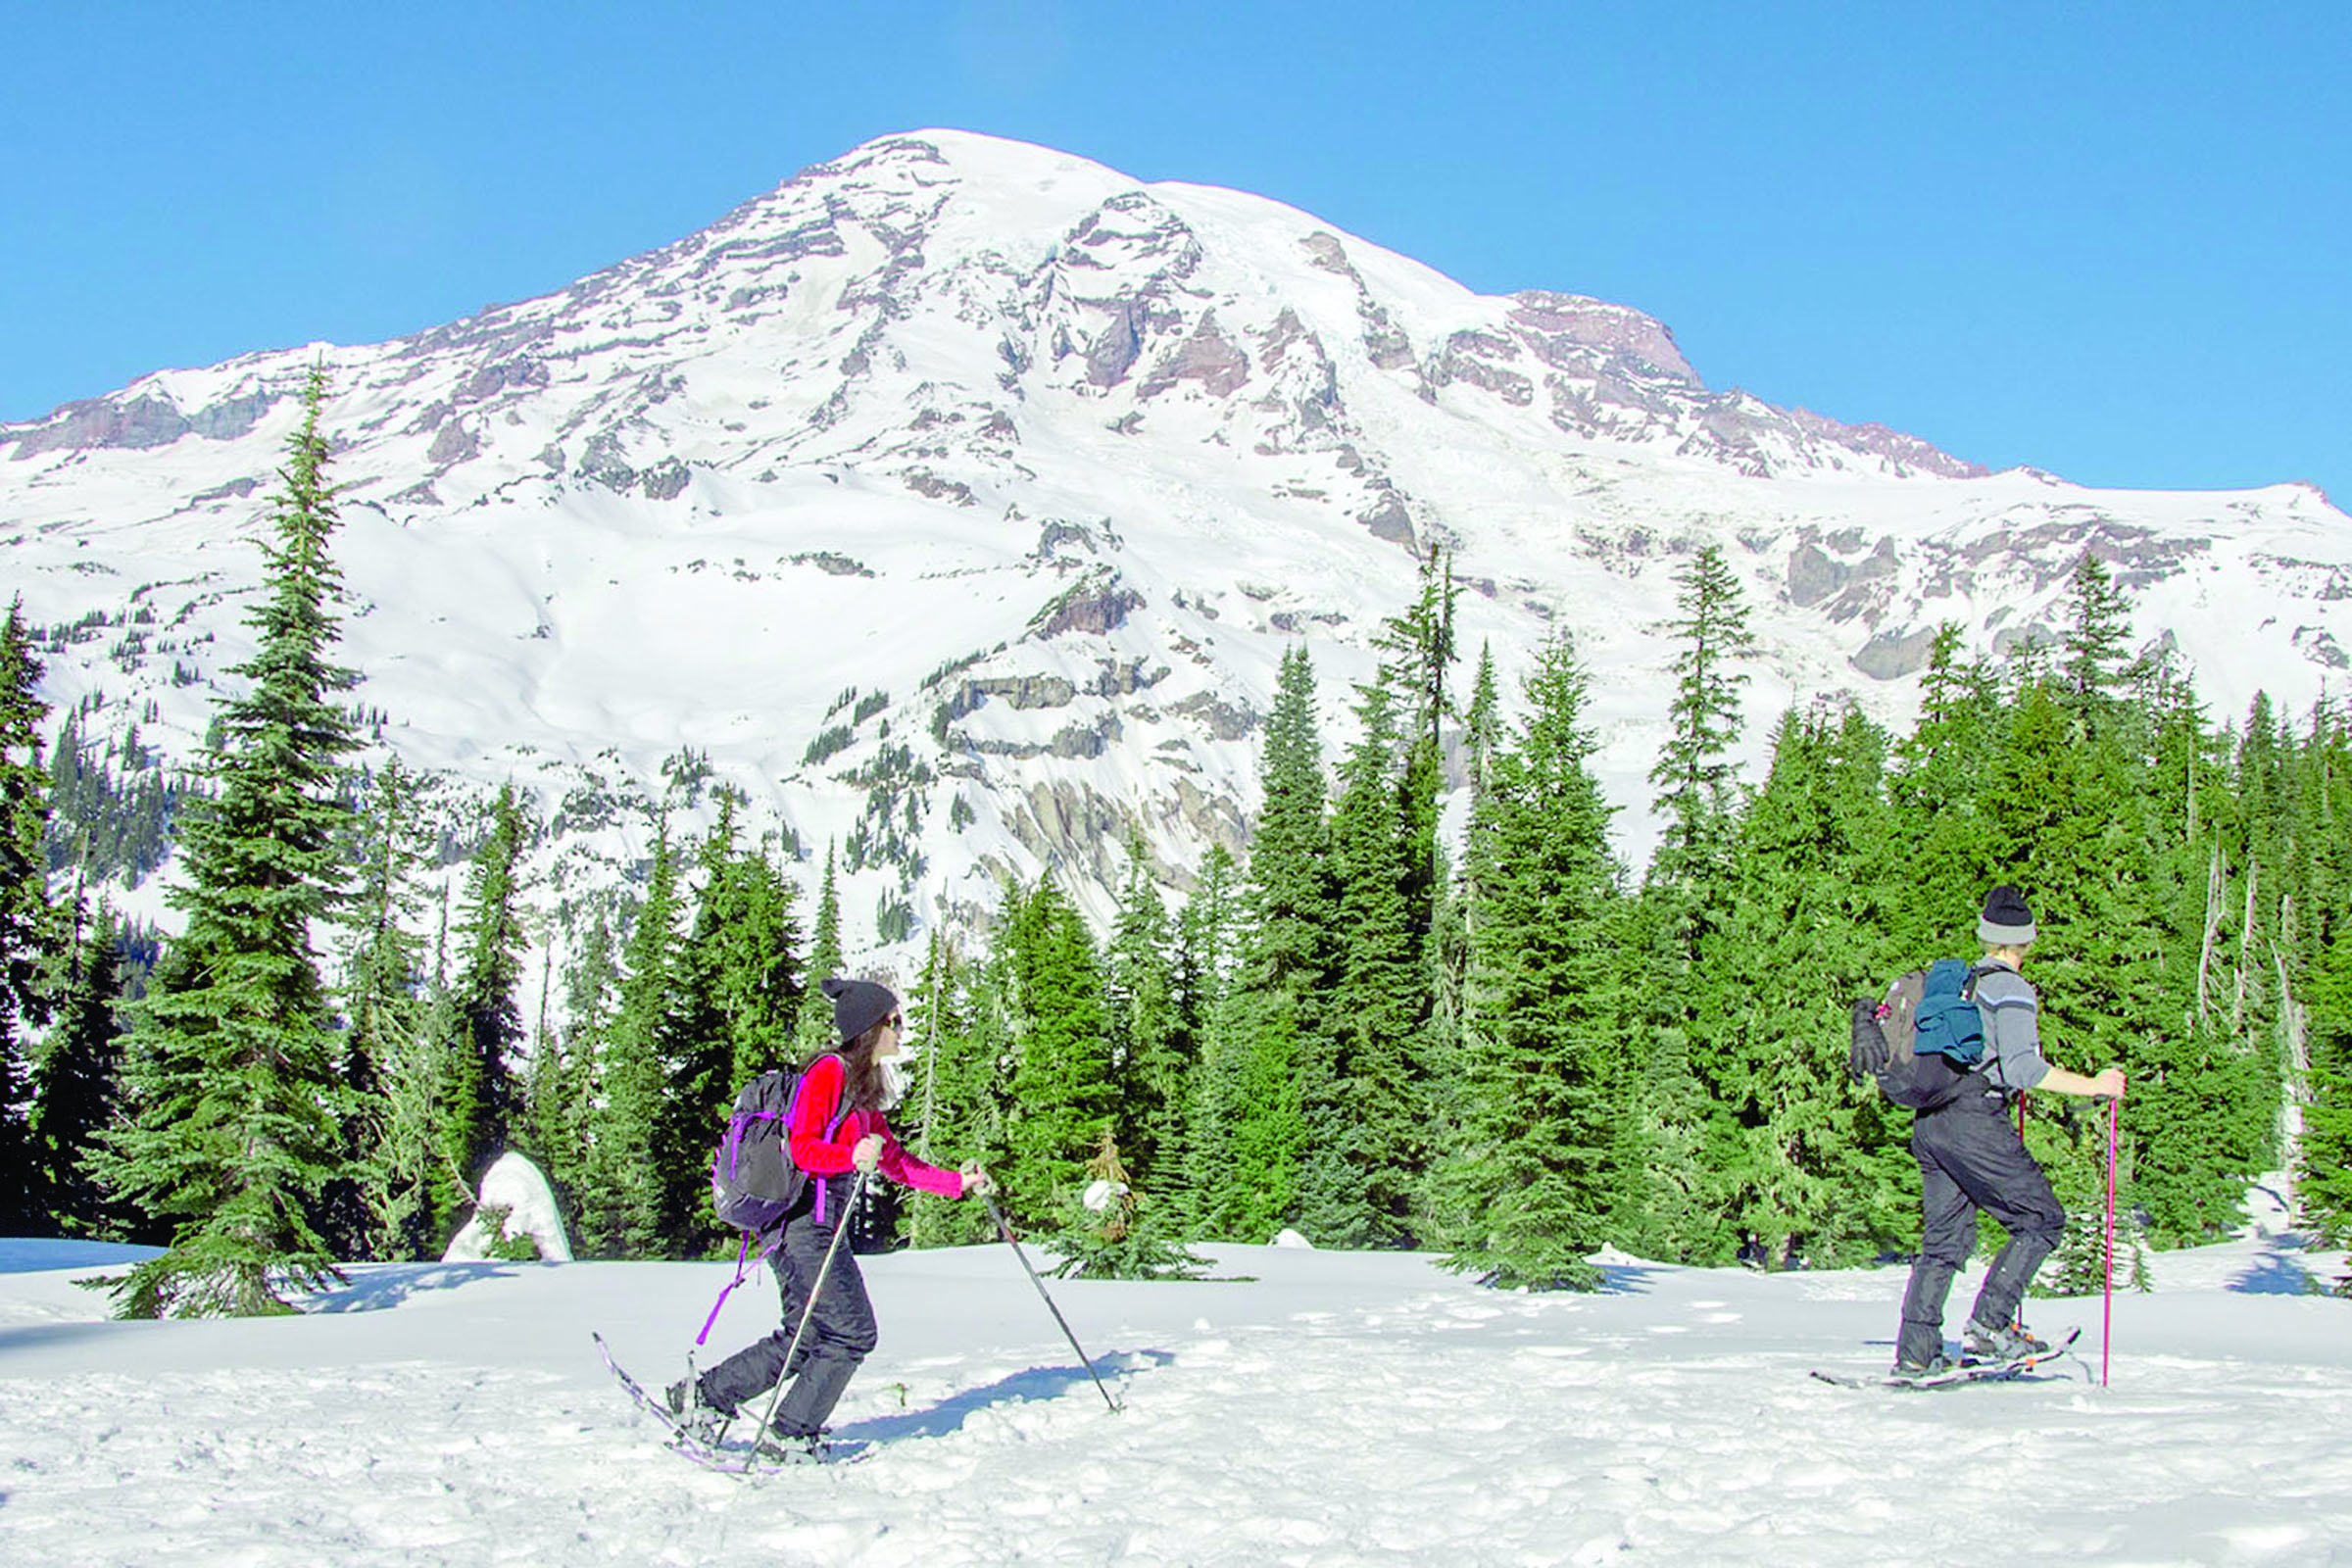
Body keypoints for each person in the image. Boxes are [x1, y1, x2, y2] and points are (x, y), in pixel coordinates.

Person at [670, 976, 991, 1456]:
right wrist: (850, 1155)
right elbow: (802, 1149)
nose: (901, 1031)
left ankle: (705, 1399)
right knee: (853, 1332)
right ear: (869, 1027)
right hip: (802, 1225)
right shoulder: (829, 1073)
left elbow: (894, 1161)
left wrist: (955, 1183)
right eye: (894, 1022)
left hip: (816, 1227)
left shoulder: (861, 1091)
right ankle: (791, 1432)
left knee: (808, 1335)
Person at [1892, 885, 2127, 1379]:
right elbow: (2023, 1069)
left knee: (1943, 1242)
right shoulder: (2012, 989)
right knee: (2041, 1219)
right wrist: (2096, 1086)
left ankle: (1916, 1351)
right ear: (2027, 941)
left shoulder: (1957, 985)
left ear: (1985, 935)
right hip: (1976, 1118)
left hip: (1932, 1121)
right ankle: (1990, 1326)